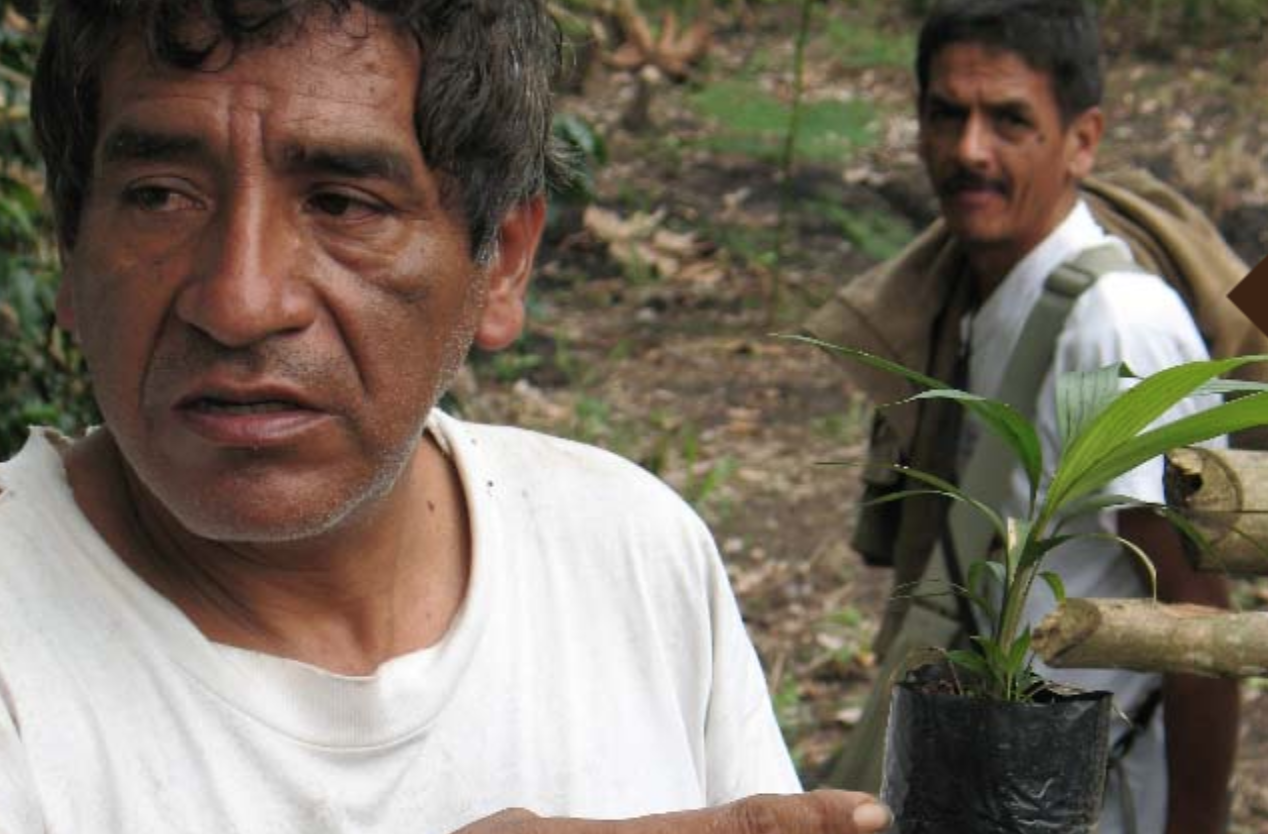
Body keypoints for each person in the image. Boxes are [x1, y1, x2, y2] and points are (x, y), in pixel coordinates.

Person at [0, 2, 894, 833]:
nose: (239, 301)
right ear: (71, 250)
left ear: (500, 264)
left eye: (343, 204)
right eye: (160, 194)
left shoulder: (629, 553)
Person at [806, 2, 1238, 833]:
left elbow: (1198, 614)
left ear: (1081, 140)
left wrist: (1196, 821)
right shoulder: (966, 299)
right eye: (946, 114)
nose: (970, 150)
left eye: (1009, 120)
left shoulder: (1115, 324)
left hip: (1098, 802)